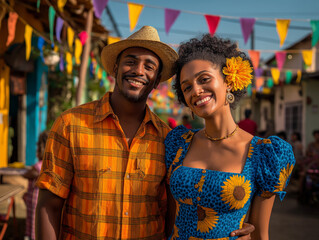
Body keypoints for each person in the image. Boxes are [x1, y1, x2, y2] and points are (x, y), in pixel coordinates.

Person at [35, 26, 254, 240]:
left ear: (157, 80)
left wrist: (233, 224)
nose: (138, 70)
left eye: (149, 66)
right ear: (115, 68)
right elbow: (48, 207)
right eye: (130, 62)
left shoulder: (170, 141)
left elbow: (175, 211)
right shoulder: (71, 124)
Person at [165, 34, 295, 240]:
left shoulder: (264, 154)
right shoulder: (178, 144)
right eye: (187, 87)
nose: (196, 90)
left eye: (204, 79)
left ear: (229, 81)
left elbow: (260, 233)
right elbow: (169, 220)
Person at [23, 131, 48, 240]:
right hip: (42, 200)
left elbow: (28, 174)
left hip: (35, 201)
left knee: (33, 222)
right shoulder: (49, 165)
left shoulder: (38, 166)